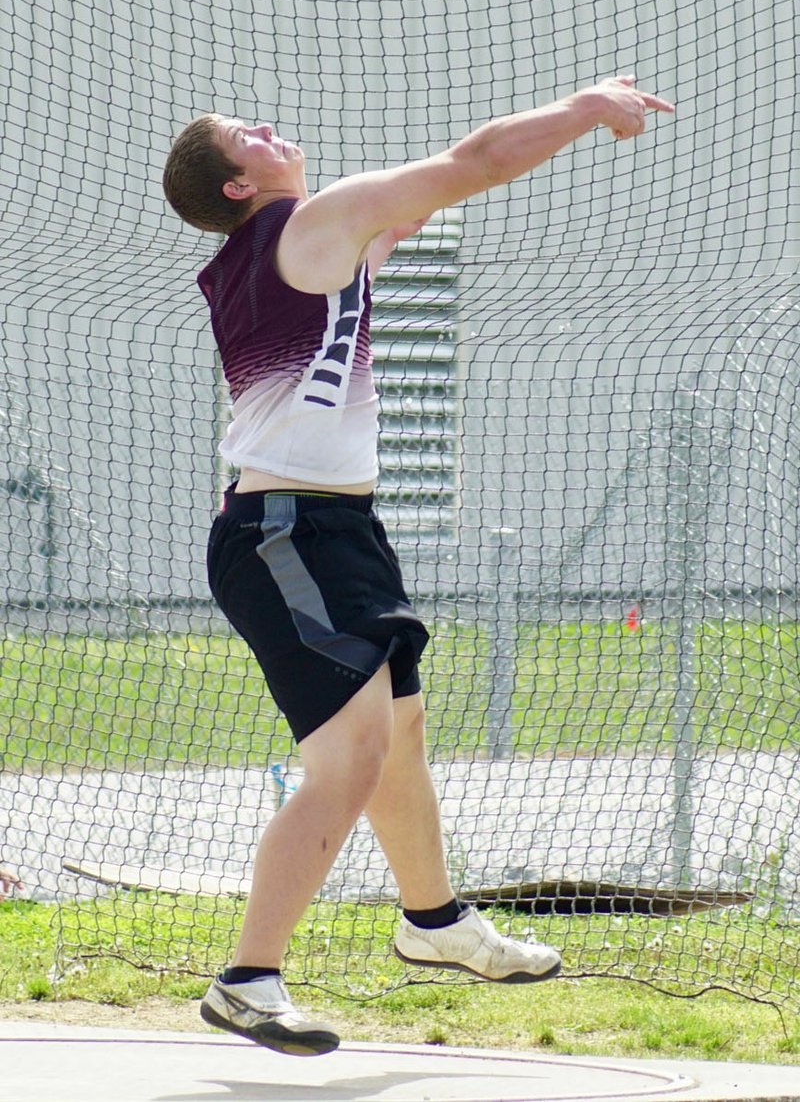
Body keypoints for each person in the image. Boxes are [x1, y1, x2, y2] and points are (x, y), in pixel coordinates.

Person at [162, 75, 674, 1056]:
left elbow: (433, 195)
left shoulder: (307, 246)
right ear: (236, 186)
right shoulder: (302, 227)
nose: (271, 126)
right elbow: (471, 164)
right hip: (283, 535)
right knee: (348, 758)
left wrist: (483, 165)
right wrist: (578, 109)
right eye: (248, 133)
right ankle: (246, 978)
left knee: (397, 734)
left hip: (340, 533)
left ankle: (432, 920)